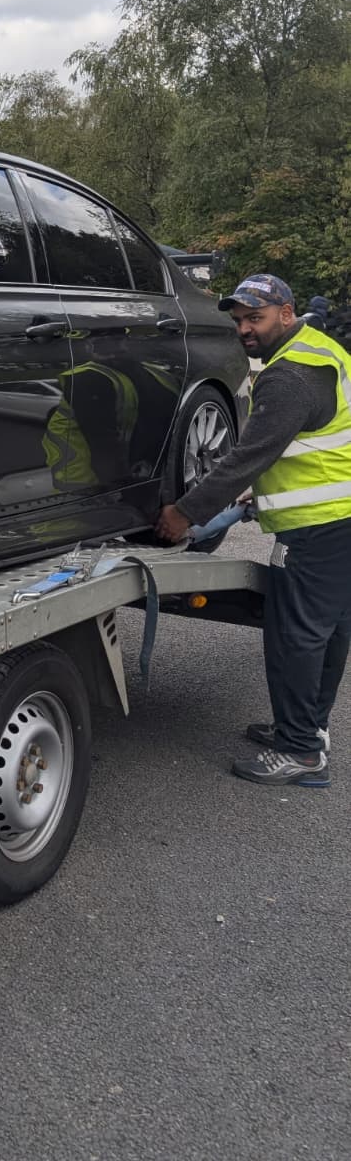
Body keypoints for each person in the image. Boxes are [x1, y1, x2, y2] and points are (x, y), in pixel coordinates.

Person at [156, 274, 351, 787]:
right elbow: (304, 443)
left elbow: (246, 456)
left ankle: (301, 752)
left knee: (296, 638)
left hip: (317, 527)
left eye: (255, 318)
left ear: (285, 313)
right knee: (329, 633)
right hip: (340, 516)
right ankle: (308, 729)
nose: (245, 328)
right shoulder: (321, 349)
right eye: (239, 320)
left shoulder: (289, 377)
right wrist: (253, 491)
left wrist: (186, 512)